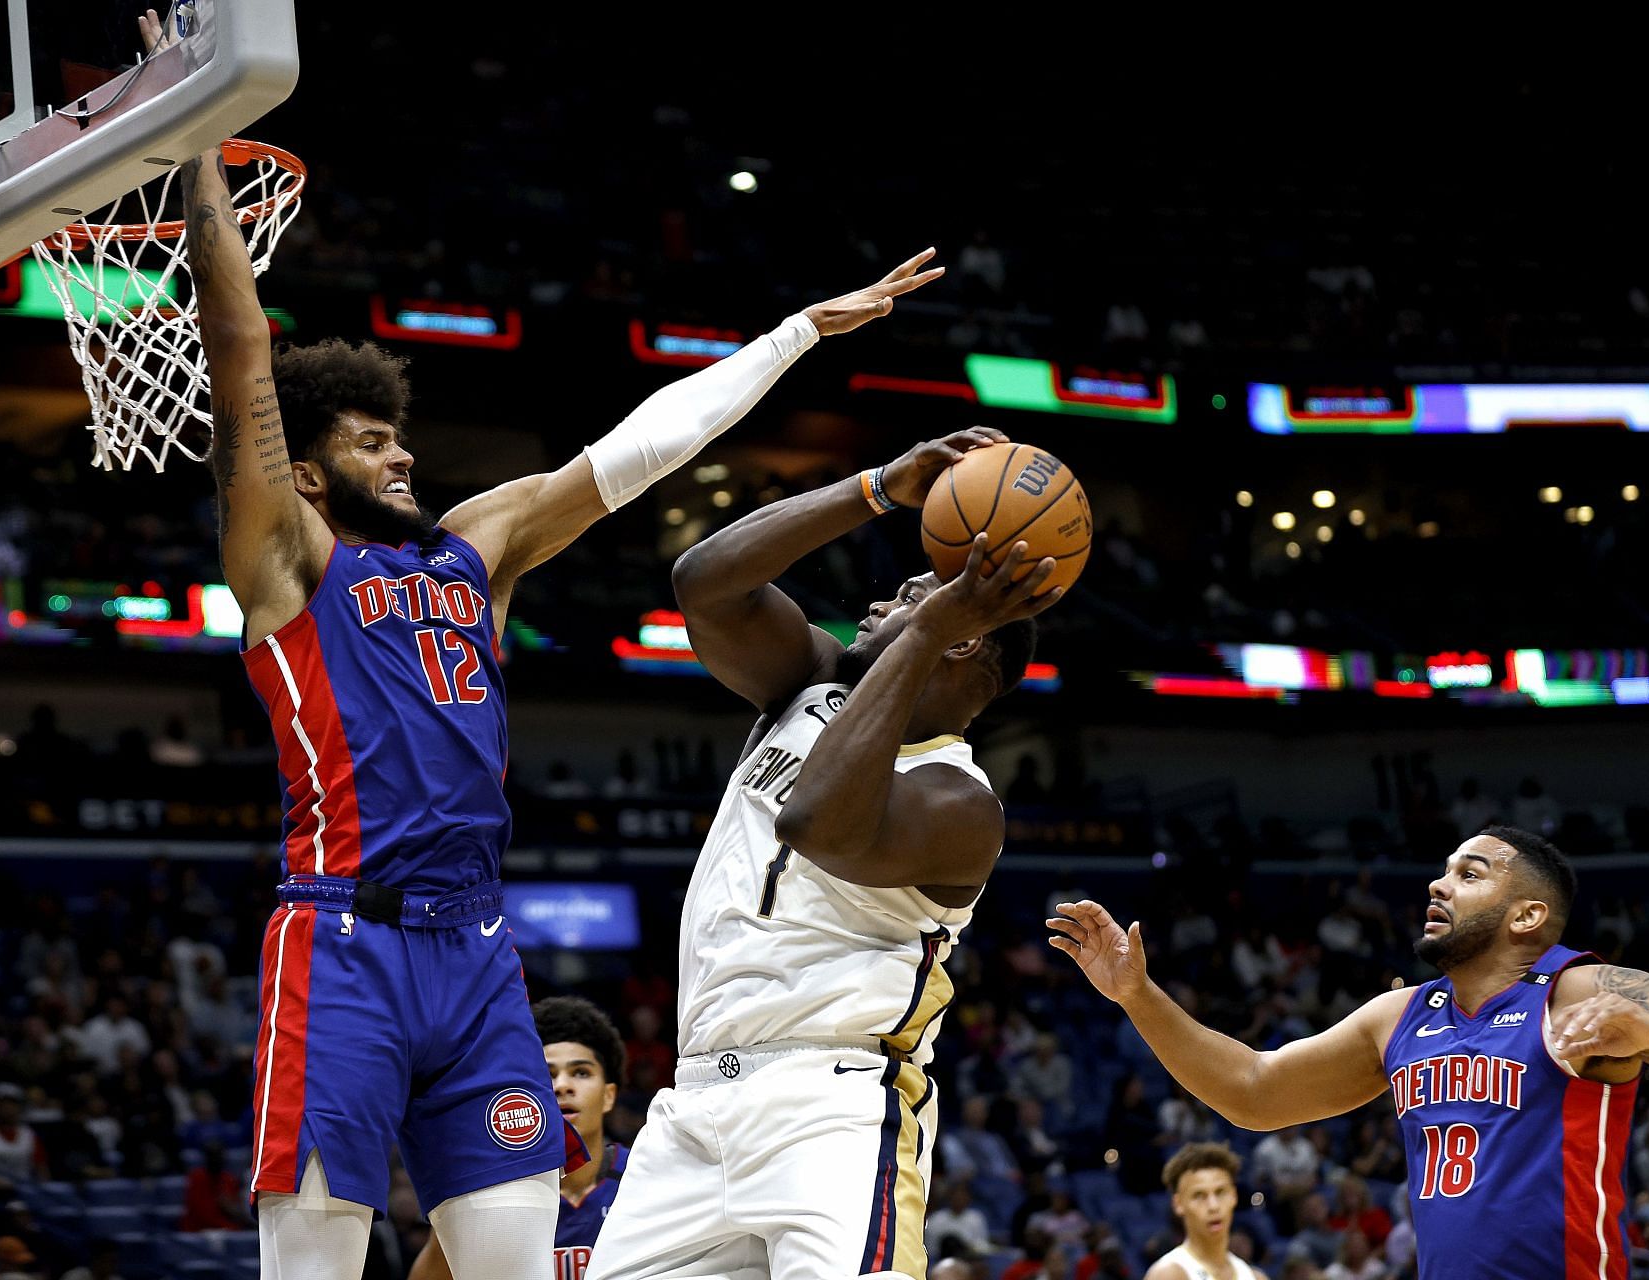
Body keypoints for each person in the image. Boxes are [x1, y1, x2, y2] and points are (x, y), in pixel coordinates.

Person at [152, 10, 944, 1276]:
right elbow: (242, 356)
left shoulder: (478, 545)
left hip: (477, 951)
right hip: (340, 942)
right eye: (371, 442)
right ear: (303, 472)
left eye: (399, 434)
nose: (403, 452)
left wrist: (798, 330)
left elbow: (637, 452)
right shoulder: (287, 561)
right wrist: (197, 159)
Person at [585, 427, 1059, 1280]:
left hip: (833, 1108)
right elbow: (704, 582)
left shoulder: (963, 805)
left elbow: (819, 824)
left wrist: (924, 630)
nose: (877, 607)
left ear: (959, 639)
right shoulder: (809, 684)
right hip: (694, 1103)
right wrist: (876, 485)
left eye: (906, 599)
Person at [1048, 825, 1649, 1279]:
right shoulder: (1399, 1015)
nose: (1439, 885)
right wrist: (1137, 996)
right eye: (1443, 871)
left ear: (1529, 913)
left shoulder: (1580, 987)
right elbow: (1252, 1089)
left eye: (1470, 874)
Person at [410, 997, 631, 1280]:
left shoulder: (642, 1176)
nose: (563, 1086)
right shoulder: (497, 1187)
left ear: (609, 1095)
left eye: (581, 1072)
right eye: (548, 1074)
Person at [1146, 1143, 1267, 1280]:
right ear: (1178, 1204)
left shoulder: (1256, 1277)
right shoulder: (1168, 1274)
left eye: (1220, 1192)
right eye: (1199, 1195)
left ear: (1234, 1196)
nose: (1213, 1206)